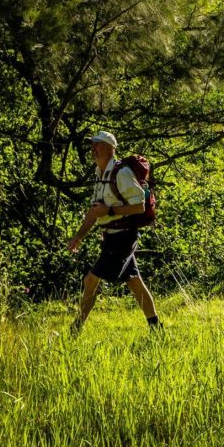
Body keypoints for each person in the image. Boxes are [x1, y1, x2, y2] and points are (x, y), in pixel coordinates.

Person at [67, 131, 160, 332]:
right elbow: (94, 212)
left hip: (124, 237)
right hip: (110, 237)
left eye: (98, 144)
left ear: (110, 148)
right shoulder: (100, 175)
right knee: (134, 283)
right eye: (92, 145)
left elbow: (139, 206)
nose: (93, 148)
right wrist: (78, 236)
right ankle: (156, 328)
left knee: (90, 280)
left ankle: (75, 329)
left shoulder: (122, 173)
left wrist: (109, 210)